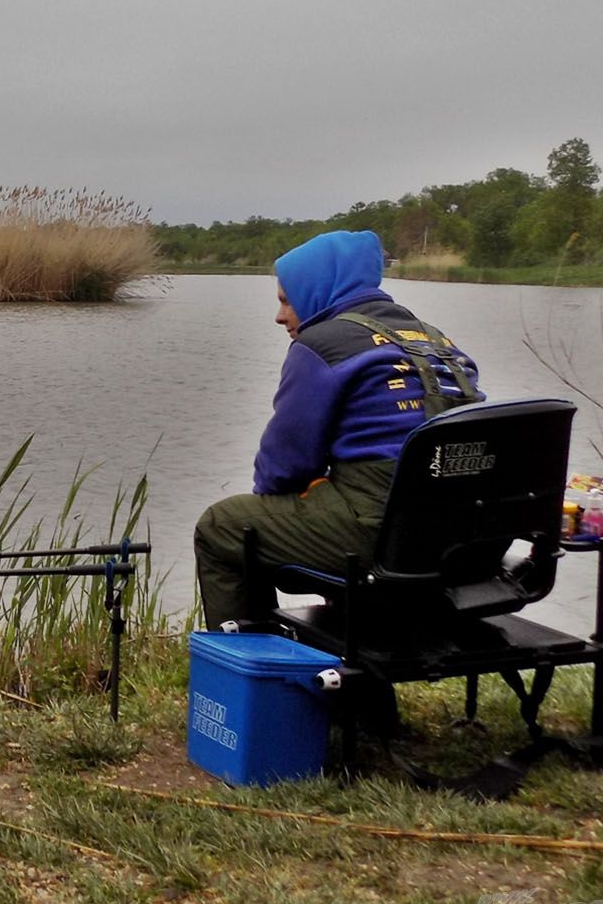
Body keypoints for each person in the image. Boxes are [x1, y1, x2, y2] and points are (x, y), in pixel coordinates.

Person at [194, 229, 482, 627]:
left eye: (285, 300)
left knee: (224, 526)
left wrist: (300, 496)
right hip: (465, 534)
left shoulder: (323, 343)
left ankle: (254, 673)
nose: (280, 316)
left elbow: (281, 470)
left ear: (316, 291)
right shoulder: (435, 339)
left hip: (382, 534)